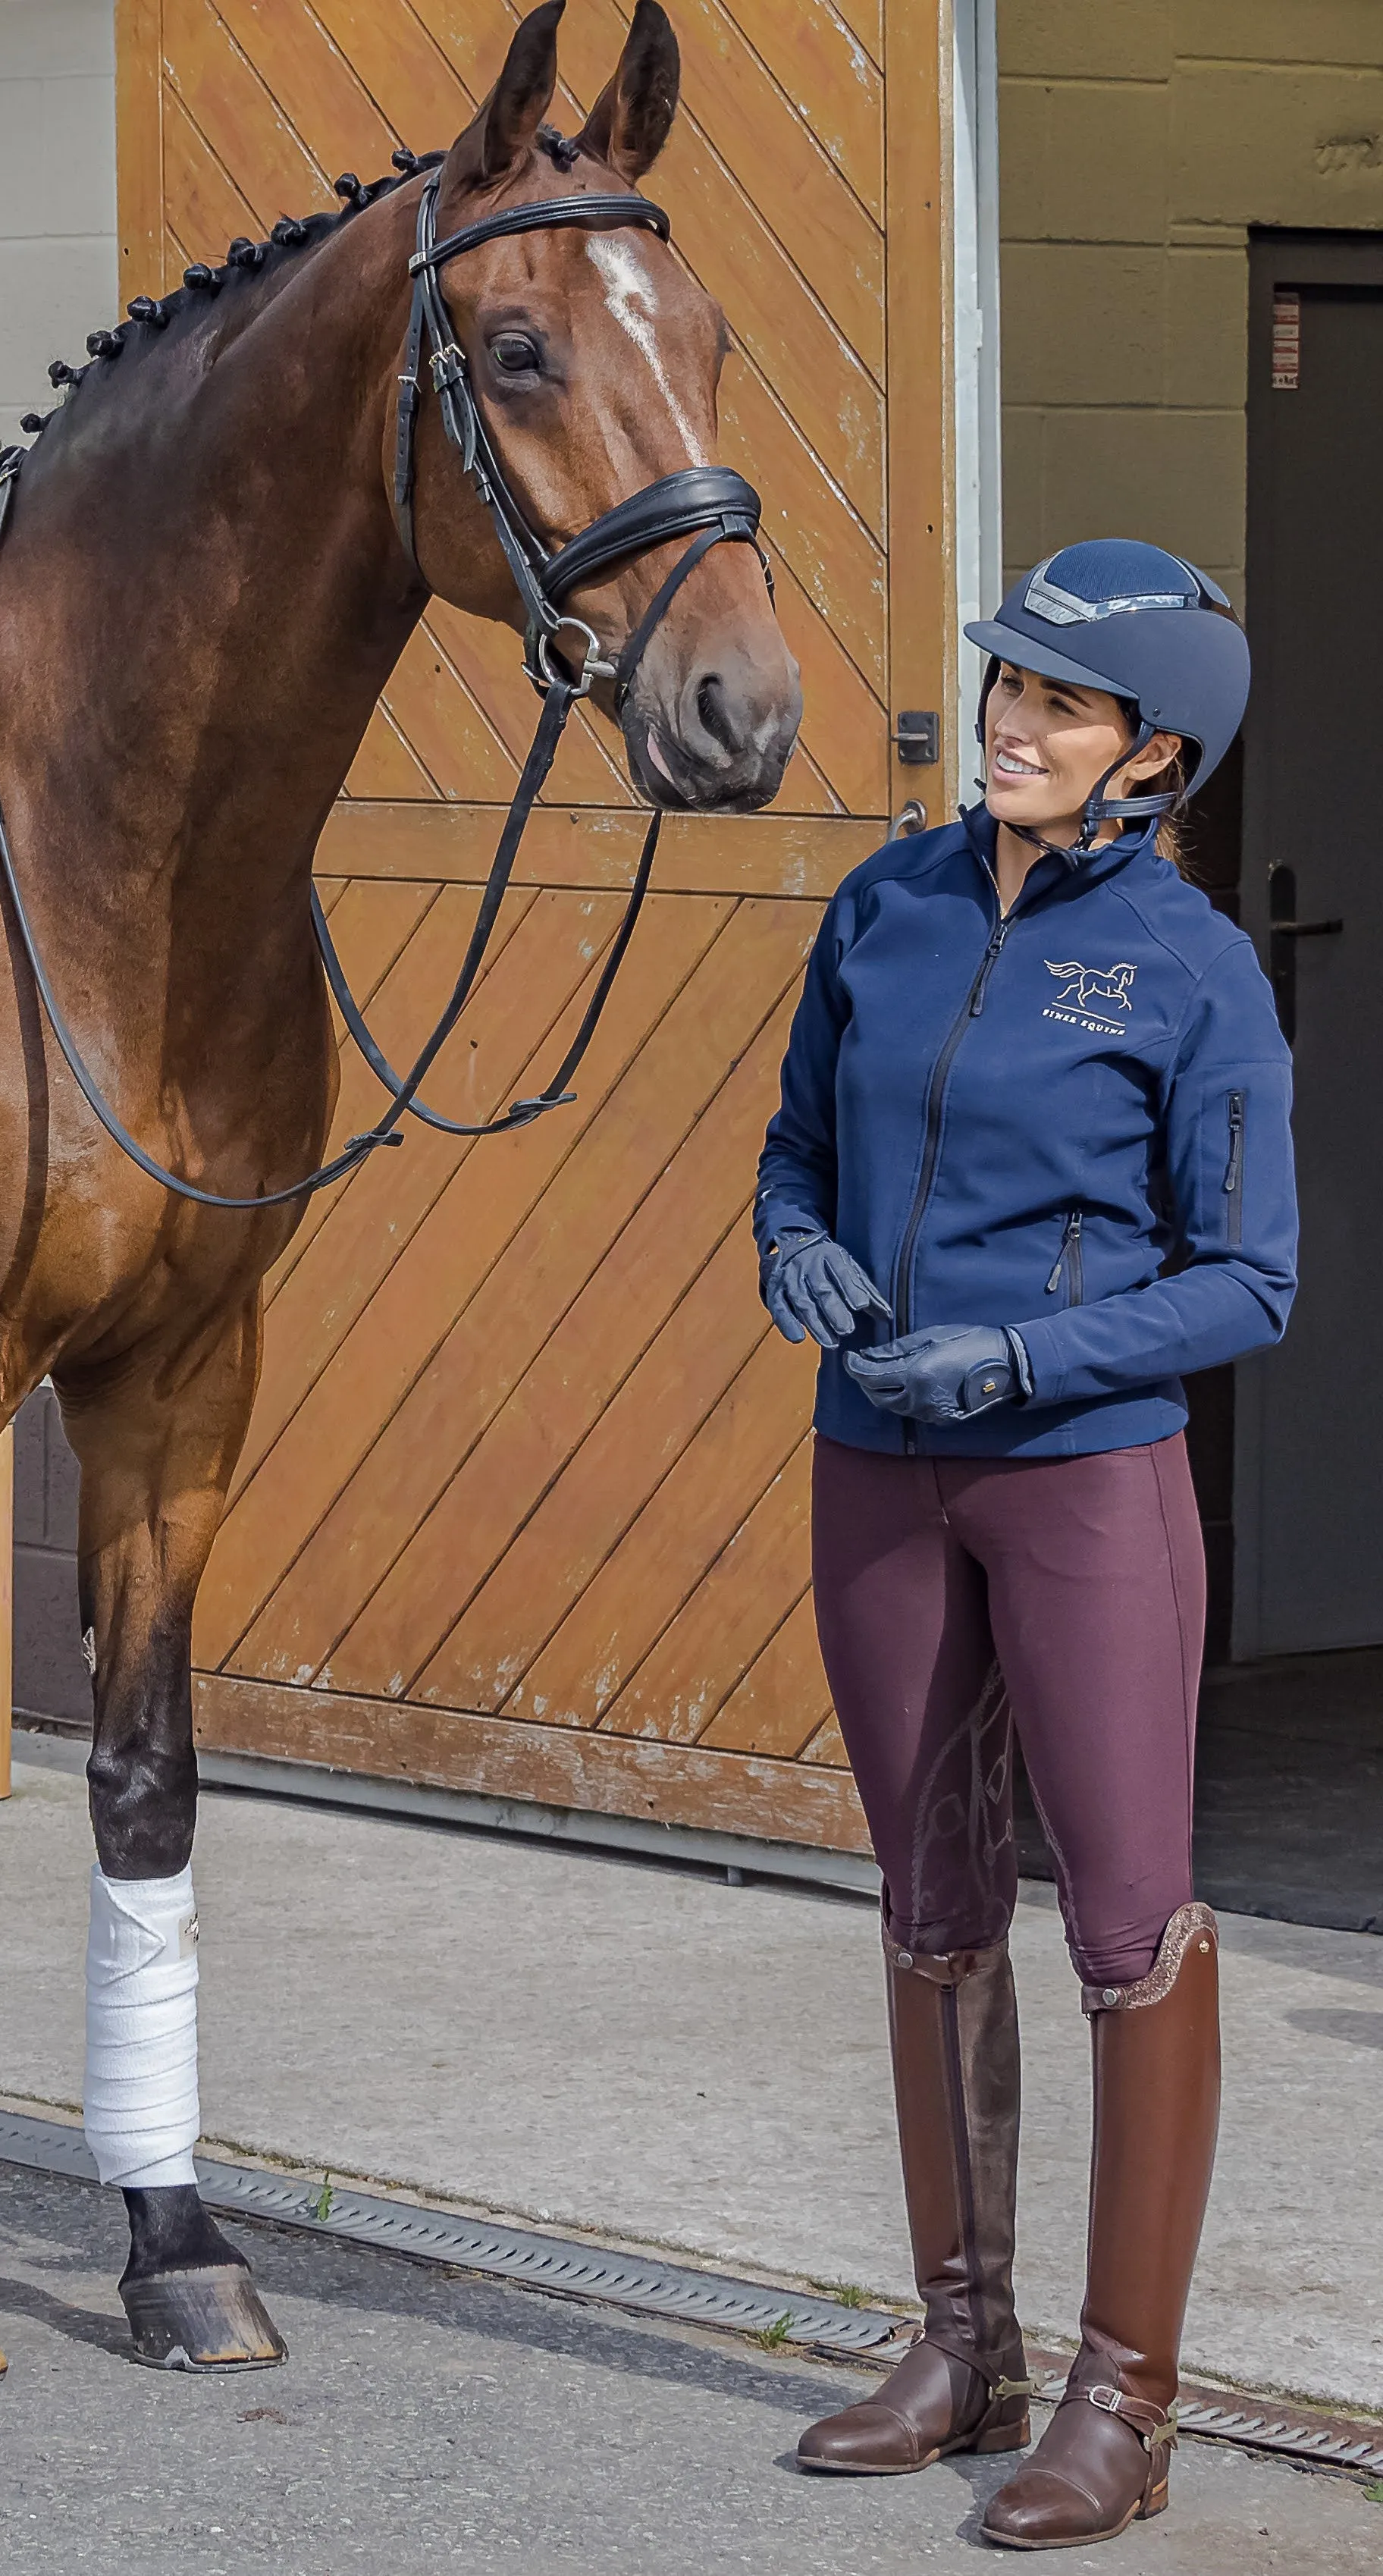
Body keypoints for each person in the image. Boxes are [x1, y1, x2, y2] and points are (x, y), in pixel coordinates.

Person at [751, 539, 1296, 2549]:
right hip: (872, 1458)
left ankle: (1123, 2403)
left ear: (1147, 753)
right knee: (926, 1888)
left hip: (1082, 1481)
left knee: (1128, 1923)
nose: (1008, 720)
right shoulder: (880, 904)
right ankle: (955, 2340)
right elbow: (799, 1138)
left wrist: (1038, 1353)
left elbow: (1254, 1278)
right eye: (1003, 683)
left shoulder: (1190, 970)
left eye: (1056, 703)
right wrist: (789, 1238)